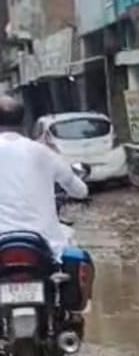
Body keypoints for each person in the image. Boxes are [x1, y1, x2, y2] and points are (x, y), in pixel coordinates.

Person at [0, 96, 89, 261]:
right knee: (79, 260)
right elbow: (80, 191)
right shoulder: (44, 153)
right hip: (47, 246)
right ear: (24, 123)